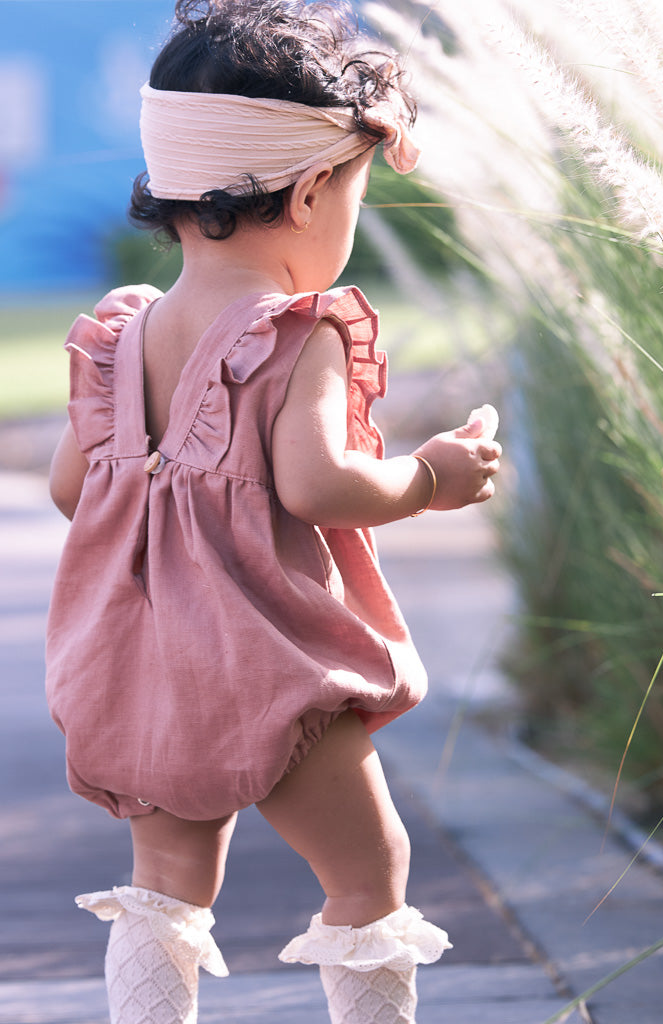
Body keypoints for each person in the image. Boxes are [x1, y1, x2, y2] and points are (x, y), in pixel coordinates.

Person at [44, 2, 501, 1022]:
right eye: (353, 198)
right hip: (269, 659)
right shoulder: (302, 333)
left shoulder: (117, 336)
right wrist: (431, 476)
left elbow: (76, 490)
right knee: (369, 867)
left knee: (163, 883)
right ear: (307, 193)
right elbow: (315, 485)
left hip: (136, 664)